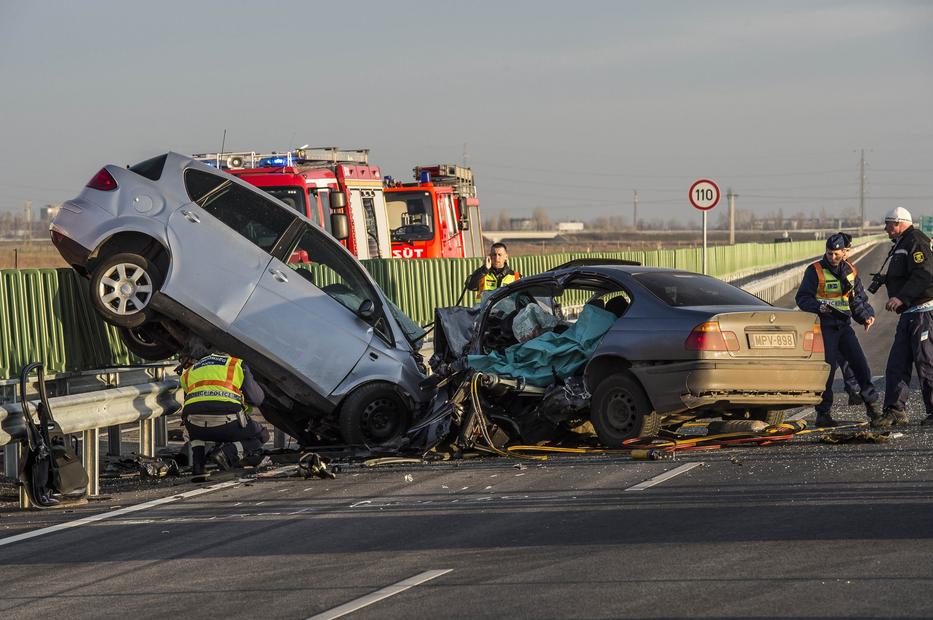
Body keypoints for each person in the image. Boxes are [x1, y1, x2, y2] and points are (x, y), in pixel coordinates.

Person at [795, 232, 881, 427]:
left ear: (844, 252)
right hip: (824, 326)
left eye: (836, 254)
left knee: (860, 365)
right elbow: (802, 298)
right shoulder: (814, 270)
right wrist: (819, 307)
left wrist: (866, 316)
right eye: (828, 253)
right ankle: (823, 414)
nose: (832, 257)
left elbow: (857, 299)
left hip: (844, 326)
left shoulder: (850, 270)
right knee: (828, 370)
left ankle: (873, 408)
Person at [874, 207, 933, 427]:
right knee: (897, 364)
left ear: (899, 223)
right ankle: (895, 410)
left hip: (923, 312)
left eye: (888, 223)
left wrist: (901, 297)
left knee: (926, 362)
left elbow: (924, 273)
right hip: (908, 315)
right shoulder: (901, 243)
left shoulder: (916, 240)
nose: (885, 227)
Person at [180, 348, 270, 482]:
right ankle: (227, 453)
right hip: (228, 423)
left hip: (195, 426)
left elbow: (191, 400)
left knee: (194, 420)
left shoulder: (191, 370)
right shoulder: (236, 364)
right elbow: (256, 399)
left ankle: (198, 465)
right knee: (262, 435)